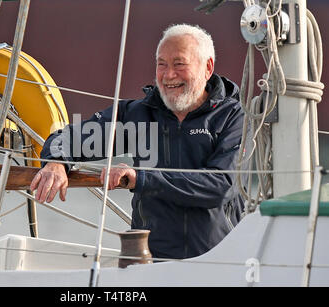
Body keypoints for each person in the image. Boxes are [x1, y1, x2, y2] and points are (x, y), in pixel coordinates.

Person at [30, 23, 246, 260]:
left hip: (219, 263)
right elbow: (68, 138)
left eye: (179, 64)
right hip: (148, 263)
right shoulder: (139, 114)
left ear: (207, 68)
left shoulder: (234, 117)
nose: (168, 75)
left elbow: (221, 185)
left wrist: (141, 178)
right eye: (161, 64)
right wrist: (56, 162)